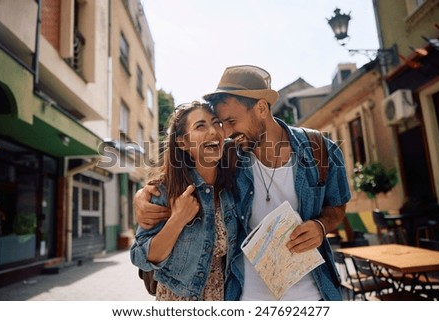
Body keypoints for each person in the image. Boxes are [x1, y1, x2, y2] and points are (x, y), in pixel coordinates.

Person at [135, 65, 351, 300]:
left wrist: (321, 227)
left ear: (260, 108)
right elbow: (184, 166)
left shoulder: (319, 149)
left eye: (231, 121)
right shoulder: (228, 155)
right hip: (246, 296)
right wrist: (145, 194)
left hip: (313, 294)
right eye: (221, 123)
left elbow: (337, 206)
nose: (225, 132)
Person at [130, 101, 241, 301]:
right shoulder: (164, 190)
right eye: (201, 126)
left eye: (216, 123)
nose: (213, 131)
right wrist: (177, 220)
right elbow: (140, 257)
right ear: (183, 143)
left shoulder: (233, 185)